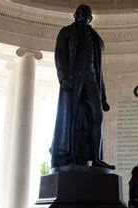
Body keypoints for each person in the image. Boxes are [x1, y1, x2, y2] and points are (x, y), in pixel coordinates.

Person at [50, 4, 114, 170]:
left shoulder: (95, 38)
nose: (82, 15)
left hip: (91, 79)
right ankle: (70, 155)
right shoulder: (66, 32)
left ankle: (97, 157)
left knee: (97, 116)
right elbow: (60, 56)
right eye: (79, 12)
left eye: (85, 13)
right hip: (74, 78)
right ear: (75, 15)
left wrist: (104, 97)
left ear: (90, 18)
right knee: (70, 117)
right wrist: (64, 77)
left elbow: (99, 70)